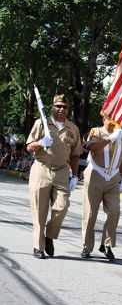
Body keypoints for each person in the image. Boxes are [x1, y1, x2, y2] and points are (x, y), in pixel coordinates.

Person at [26, 94, 83, 259]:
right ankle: (38, 247)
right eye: (58, 106)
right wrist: (41, 143)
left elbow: (75, 155)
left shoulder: (73, 129)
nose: (62, 109)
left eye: (65, 107)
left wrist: (74, 176)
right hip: (41, 169)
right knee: (39, 211)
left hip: (62, 171)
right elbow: (29, 147)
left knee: (62, 207)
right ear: (52, 107)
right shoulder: (41, 124)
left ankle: (49, 236)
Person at [81, 116, 122, 261]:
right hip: (95, 174)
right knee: (90, 213)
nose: (118, 121)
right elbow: (92, 148)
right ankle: (86, 245)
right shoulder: (96, 132)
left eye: (121, 118)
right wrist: (110, 138)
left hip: (113, 178)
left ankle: (107, 244)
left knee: (114, 211)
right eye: (113, 118)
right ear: (105, 118)